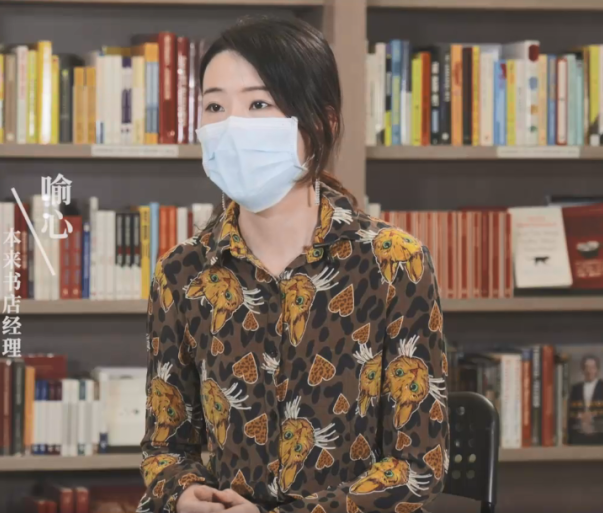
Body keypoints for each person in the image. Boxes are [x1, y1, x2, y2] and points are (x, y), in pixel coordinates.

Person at [139, 16, 449, 513]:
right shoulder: (182, 272)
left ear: (321, 122)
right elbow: (165, 447)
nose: (231, 127)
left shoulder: (394, 263)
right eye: (215, 106)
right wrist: (181, 493)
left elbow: (419, 466)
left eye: (259, 104)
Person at [567, 354, 603, 444]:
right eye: (587, 367)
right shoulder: (576, 389)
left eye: (592, 368)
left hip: (602, 437)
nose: (589, 371)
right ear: (582, 370)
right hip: (579, 437)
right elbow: (570, 413)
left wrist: (594, 416)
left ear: (597, 369)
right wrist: (580, 416)